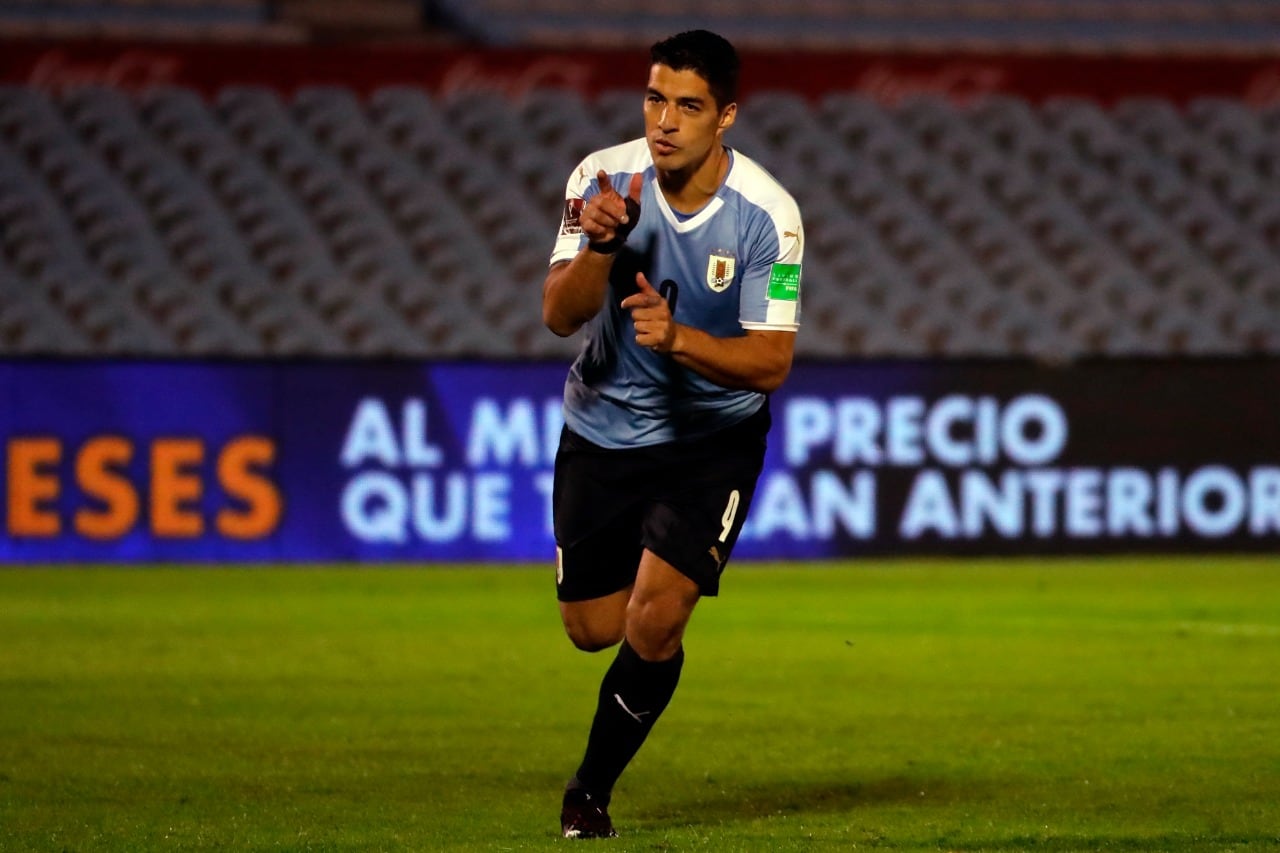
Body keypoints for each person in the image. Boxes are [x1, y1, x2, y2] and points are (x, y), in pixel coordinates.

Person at [542, 29, 803, 839]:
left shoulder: (771, 217)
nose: (665, 120)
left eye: (688, 105)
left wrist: (680, 337)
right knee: (593, 630)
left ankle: (590, 790)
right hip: (604, 427)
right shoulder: (600, 179)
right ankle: (647, 663)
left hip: (710, 439)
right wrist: (601, 244)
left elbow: (770, 363)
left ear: (725, 116)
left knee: (658, 616)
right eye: (655, 98)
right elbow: (559, 315)